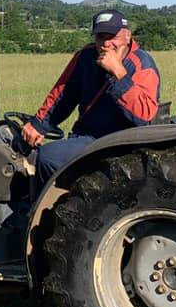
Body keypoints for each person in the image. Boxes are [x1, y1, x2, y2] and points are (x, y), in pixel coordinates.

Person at [22, 10, 160, 186]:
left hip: (122, 143)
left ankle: (64, 208)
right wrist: (39, 124)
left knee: (48, 157)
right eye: (101, 37)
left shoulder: (142, 64)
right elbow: (63, 93)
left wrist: (118, 73)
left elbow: (143, 115)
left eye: (112, 37)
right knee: (42, 154)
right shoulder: (86, 56)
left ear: (127, 36)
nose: (106, 44)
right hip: (87, 136)